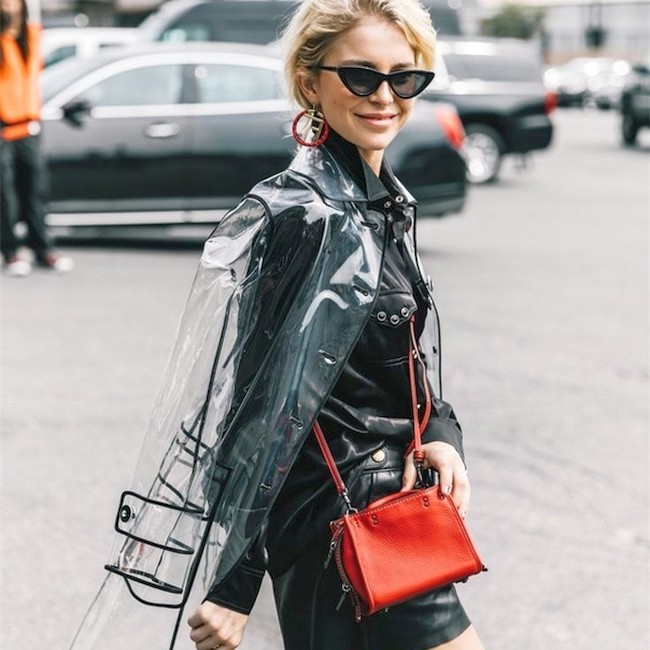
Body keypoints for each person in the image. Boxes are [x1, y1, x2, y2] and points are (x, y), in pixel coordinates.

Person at [184, 1, 484, 649]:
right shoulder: (306, 216)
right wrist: (234, 583)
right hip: (336, 523)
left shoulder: (379, 204)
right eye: (360, 75)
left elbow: (399, 359)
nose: (385, 97)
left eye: (405, 77)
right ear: (310, 83)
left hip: (393, 511)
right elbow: (262, 401)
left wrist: (441, 433)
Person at [0, 0, 73, 276]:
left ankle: (42, 249)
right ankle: (11, 252)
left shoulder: (31, 38)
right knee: (5, 196)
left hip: (29, 127)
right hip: (3, 127)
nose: (9, 7)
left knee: (35, 191)